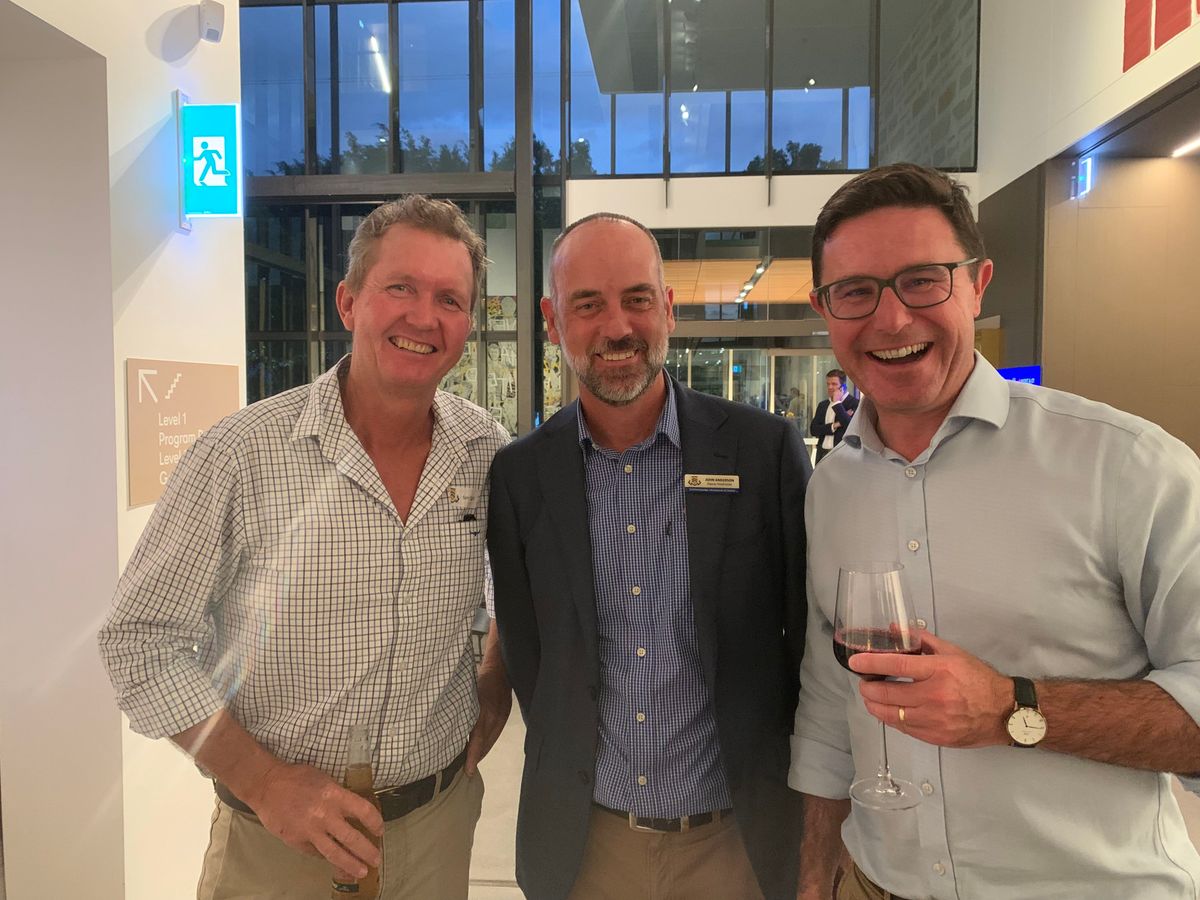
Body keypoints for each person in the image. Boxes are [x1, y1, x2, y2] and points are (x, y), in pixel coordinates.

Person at [791, 163, 1200, 900]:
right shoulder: (831, 489)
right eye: (855, 291)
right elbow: (830, 699)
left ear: (978, 285)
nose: (891, 320)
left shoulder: (1127, 466)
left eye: (922, 280)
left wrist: (1014, 708)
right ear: (825, 308)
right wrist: (815, 876)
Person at [98, 195, 512, 900]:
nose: (424, 317)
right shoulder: (239, 455)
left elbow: (518, 590)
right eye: (400, 287)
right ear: (348, 301)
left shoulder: (486, 452)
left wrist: (494, 682)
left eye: (449, 299)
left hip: (436, 832)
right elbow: (139, 643)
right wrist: (262, 781)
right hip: (276, 846)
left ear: (467, 325)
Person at [487, 212, 810, 900]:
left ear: (667, 308)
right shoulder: (520, 476)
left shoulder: (763, 453)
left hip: (739, 845)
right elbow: (528, 657)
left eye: (637, 299)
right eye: (587, 305)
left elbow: (802, 648)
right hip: (585, 850)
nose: (617, 327)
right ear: (552, 322)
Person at [809, 369, 858, 463]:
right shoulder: (823, 405)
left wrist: (837, 404)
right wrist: (835, 425)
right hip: (822, 454)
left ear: (843, 387)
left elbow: (850, 427)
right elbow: (814, 430)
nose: (830, 387)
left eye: (834, 384)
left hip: (842, 455)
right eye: (828, 384)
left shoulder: (854, 403)